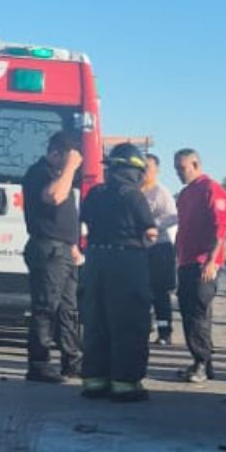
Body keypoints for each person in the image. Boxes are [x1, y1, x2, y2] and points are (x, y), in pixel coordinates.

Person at [78, 143, 158, 402]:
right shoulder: (133, 196)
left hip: (95, 262)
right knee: (129, 323)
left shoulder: (95, 194)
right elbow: (150, 231)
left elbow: (85, 222)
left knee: (96, 320)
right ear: (135, 170)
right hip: (126, 263)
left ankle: (94, 381)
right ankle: (125, 384)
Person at [21, 131, 84, 383]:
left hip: (64, 250)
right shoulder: (40, 173)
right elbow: (54, 197)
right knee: (46, 307)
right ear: (56, 153)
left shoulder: (60, 175)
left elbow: (65, 214)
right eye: (69, 157)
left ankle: (72, 361)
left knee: (67, 310)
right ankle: (39, 364)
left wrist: (74, 245)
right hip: (47, 249)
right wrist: (69, 168)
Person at [173, 148, 226, 383]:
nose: (178, 173)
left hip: (202, 264)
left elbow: (221, 229)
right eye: (176, 168)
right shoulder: (186, 193)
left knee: (198, 314)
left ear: (196, 164)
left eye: (182, 168)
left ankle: (201, 362)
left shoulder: (211, 189)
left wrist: (211, 261)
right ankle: (202, 363)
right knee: (190, 313)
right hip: (186, 262)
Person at [142, 153, 178, 345]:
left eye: (147, 167)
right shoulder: (135, 191)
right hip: (138, 250)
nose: (143, 171)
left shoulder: (160, 192)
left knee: (160, 293)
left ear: (156, 170)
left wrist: (151, 225)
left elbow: (172, 216)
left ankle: (165, 332)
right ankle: (143, 328)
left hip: (159, 249)